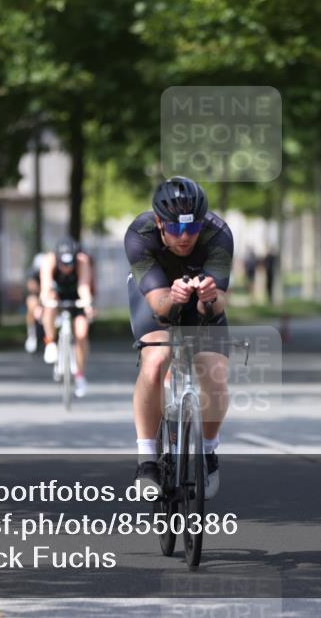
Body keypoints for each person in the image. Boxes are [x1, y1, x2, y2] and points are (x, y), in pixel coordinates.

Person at [125, 176, 233, 499]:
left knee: (214, 374)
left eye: (192, 229)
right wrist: (174, 297)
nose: (185, 238)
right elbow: (159, 306)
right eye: (174, 229)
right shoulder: (139, 235)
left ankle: (209, 451)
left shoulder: (219, 234)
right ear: (159, 222)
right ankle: (147, 460)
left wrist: (209, 297)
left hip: (202, 301)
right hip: (156, 297)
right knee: (156, 359)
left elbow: (217, 306)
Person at [41, 236, 95, 397]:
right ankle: (50, 342)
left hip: (75, 296)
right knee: (49, 304)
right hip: (57, 294)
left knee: (82, 333)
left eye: (70, 264)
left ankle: (79, 374)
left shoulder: (82, 261)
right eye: (63, 264)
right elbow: (45, 287)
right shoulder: (49, 260)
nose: (67, 268)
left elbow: (84, 286)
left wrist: (87, 304)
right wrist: (45, 301)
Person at [24, 253, 46, 354]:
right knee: (32, 302)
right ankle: (31, 333)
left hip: (50, 297)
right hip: (39, 297)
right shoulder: (33, 274)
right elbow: (32, 288)